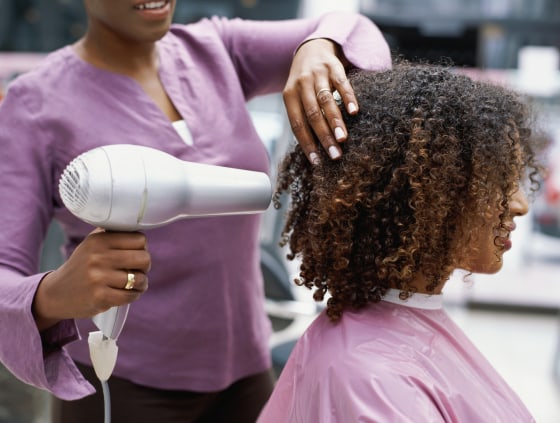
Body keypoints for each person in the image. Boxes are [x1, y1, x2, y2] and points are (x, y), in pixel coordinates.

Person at [0, 1, 391, 422]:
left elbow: (357, 31)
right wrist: (54, 293)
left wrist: (318, 46)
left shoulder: (215, 48)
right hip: (126, 385)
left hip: (247, 372)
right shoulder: (34, 105)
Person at [257, 63, 547, 422]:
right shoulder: (379, 383)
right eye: (499, 182)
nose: (519, 204)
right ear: (425, 194)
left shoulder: (387, 340)